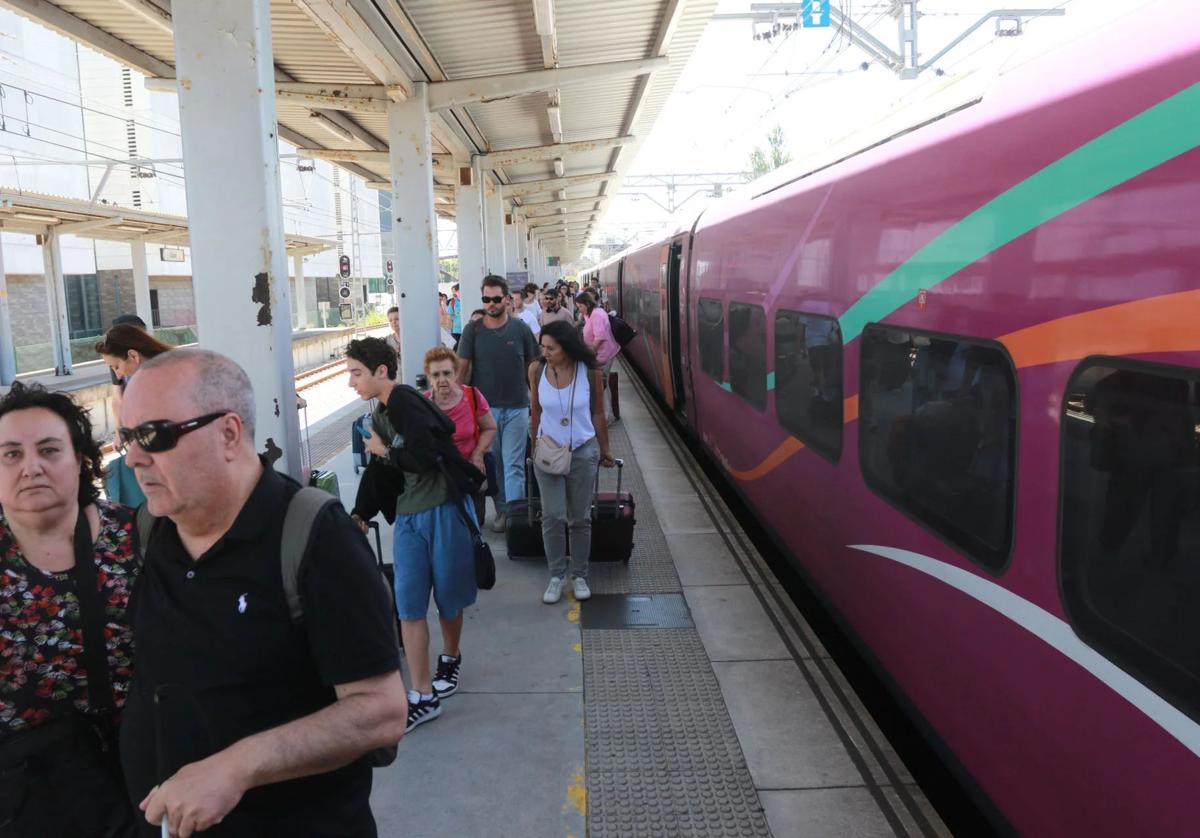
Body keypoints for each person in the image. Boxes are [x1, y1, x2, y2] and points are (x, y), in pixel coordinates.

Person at [118, 349, 407, 837]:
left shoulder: (315, 537)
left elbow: (380, 712)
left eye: (155, 435)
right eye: (127, 437)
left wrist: (238, 765)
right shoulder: (151, 532)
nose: (133, 457)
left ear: (229, 433)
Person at [0, 383, 140, 837]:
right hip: (25, 798)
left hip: (142, 779)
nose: (31, 467)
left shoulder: (139, 537)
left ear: (79, 458)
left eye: (48, 449)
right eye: (10, 454)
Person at [346, 338, 481, 733]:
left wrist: (384, 452)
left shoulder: (405, 401)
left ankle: (450, 658)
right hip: (408, 517)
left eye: (356, 373)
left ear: (381, 371)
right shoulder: (381, 414)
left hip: (442, 509)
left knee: (449, 597)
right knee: (408, 604)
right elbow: (381, 471)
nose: (352, 383)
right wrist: (361, 512)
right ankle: (422, 694)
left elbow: (421, 457)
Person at [529, 321, 615, 604]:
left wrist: (605, 450)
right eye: (543, 347)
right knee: (553, 516)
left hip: (581, 451)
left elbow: (598, 414)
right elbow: (536, 412)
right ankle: (556, 575)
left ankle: (579, 574)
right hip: (548, 452)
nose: (546, 353)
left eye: (551, 348)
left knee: (579, 518)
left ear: (566, 347)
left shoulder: (589, 373)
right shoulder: (537, 370)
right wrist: (533, 445)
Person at [458, 275, 540, 533]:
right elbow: (462, 369)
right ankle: (504, 510)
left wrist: (537, 402)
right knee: (496, 465)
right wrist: (457, 406)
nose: (491, 304)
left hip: (517, 407)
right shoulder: (473, 330)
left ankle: (514, 517)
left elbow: (533, 367)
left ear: (506, 299)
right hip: (485, 412)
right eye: (486, 299)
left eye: (496, 299)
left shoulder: (521, 330)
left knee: (514, 463)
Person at [95, 324, 174, 506]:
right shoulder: (151, 375)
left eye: (116, 366)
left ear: (133, 355)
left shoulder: (162, 381)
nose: (118, 374)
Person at [424, 345, 497, 527]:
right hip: (440, 479)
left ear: (456, 374)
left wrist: (478, 452)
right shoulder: (423, 404)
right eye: (436, 375)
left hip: (470, 473)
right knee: (446, 529)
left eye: (447, 373)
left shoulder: (472, 396)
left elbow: (490, 427)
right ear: (429, 378)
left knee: (473, 526)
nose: (442, 380)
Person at [578, 292, 621, 426]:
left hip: (603, 355)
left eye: (580, 306)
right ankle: (605, 415)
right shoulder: (590, 314)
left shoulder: (596, 314)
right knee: (601, 383)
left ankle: (607, 417)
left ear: (587, 304)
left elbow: (600, 337)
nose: (579, 309)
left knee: (601, 384)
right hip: (600, 354)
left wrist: (590, 352)